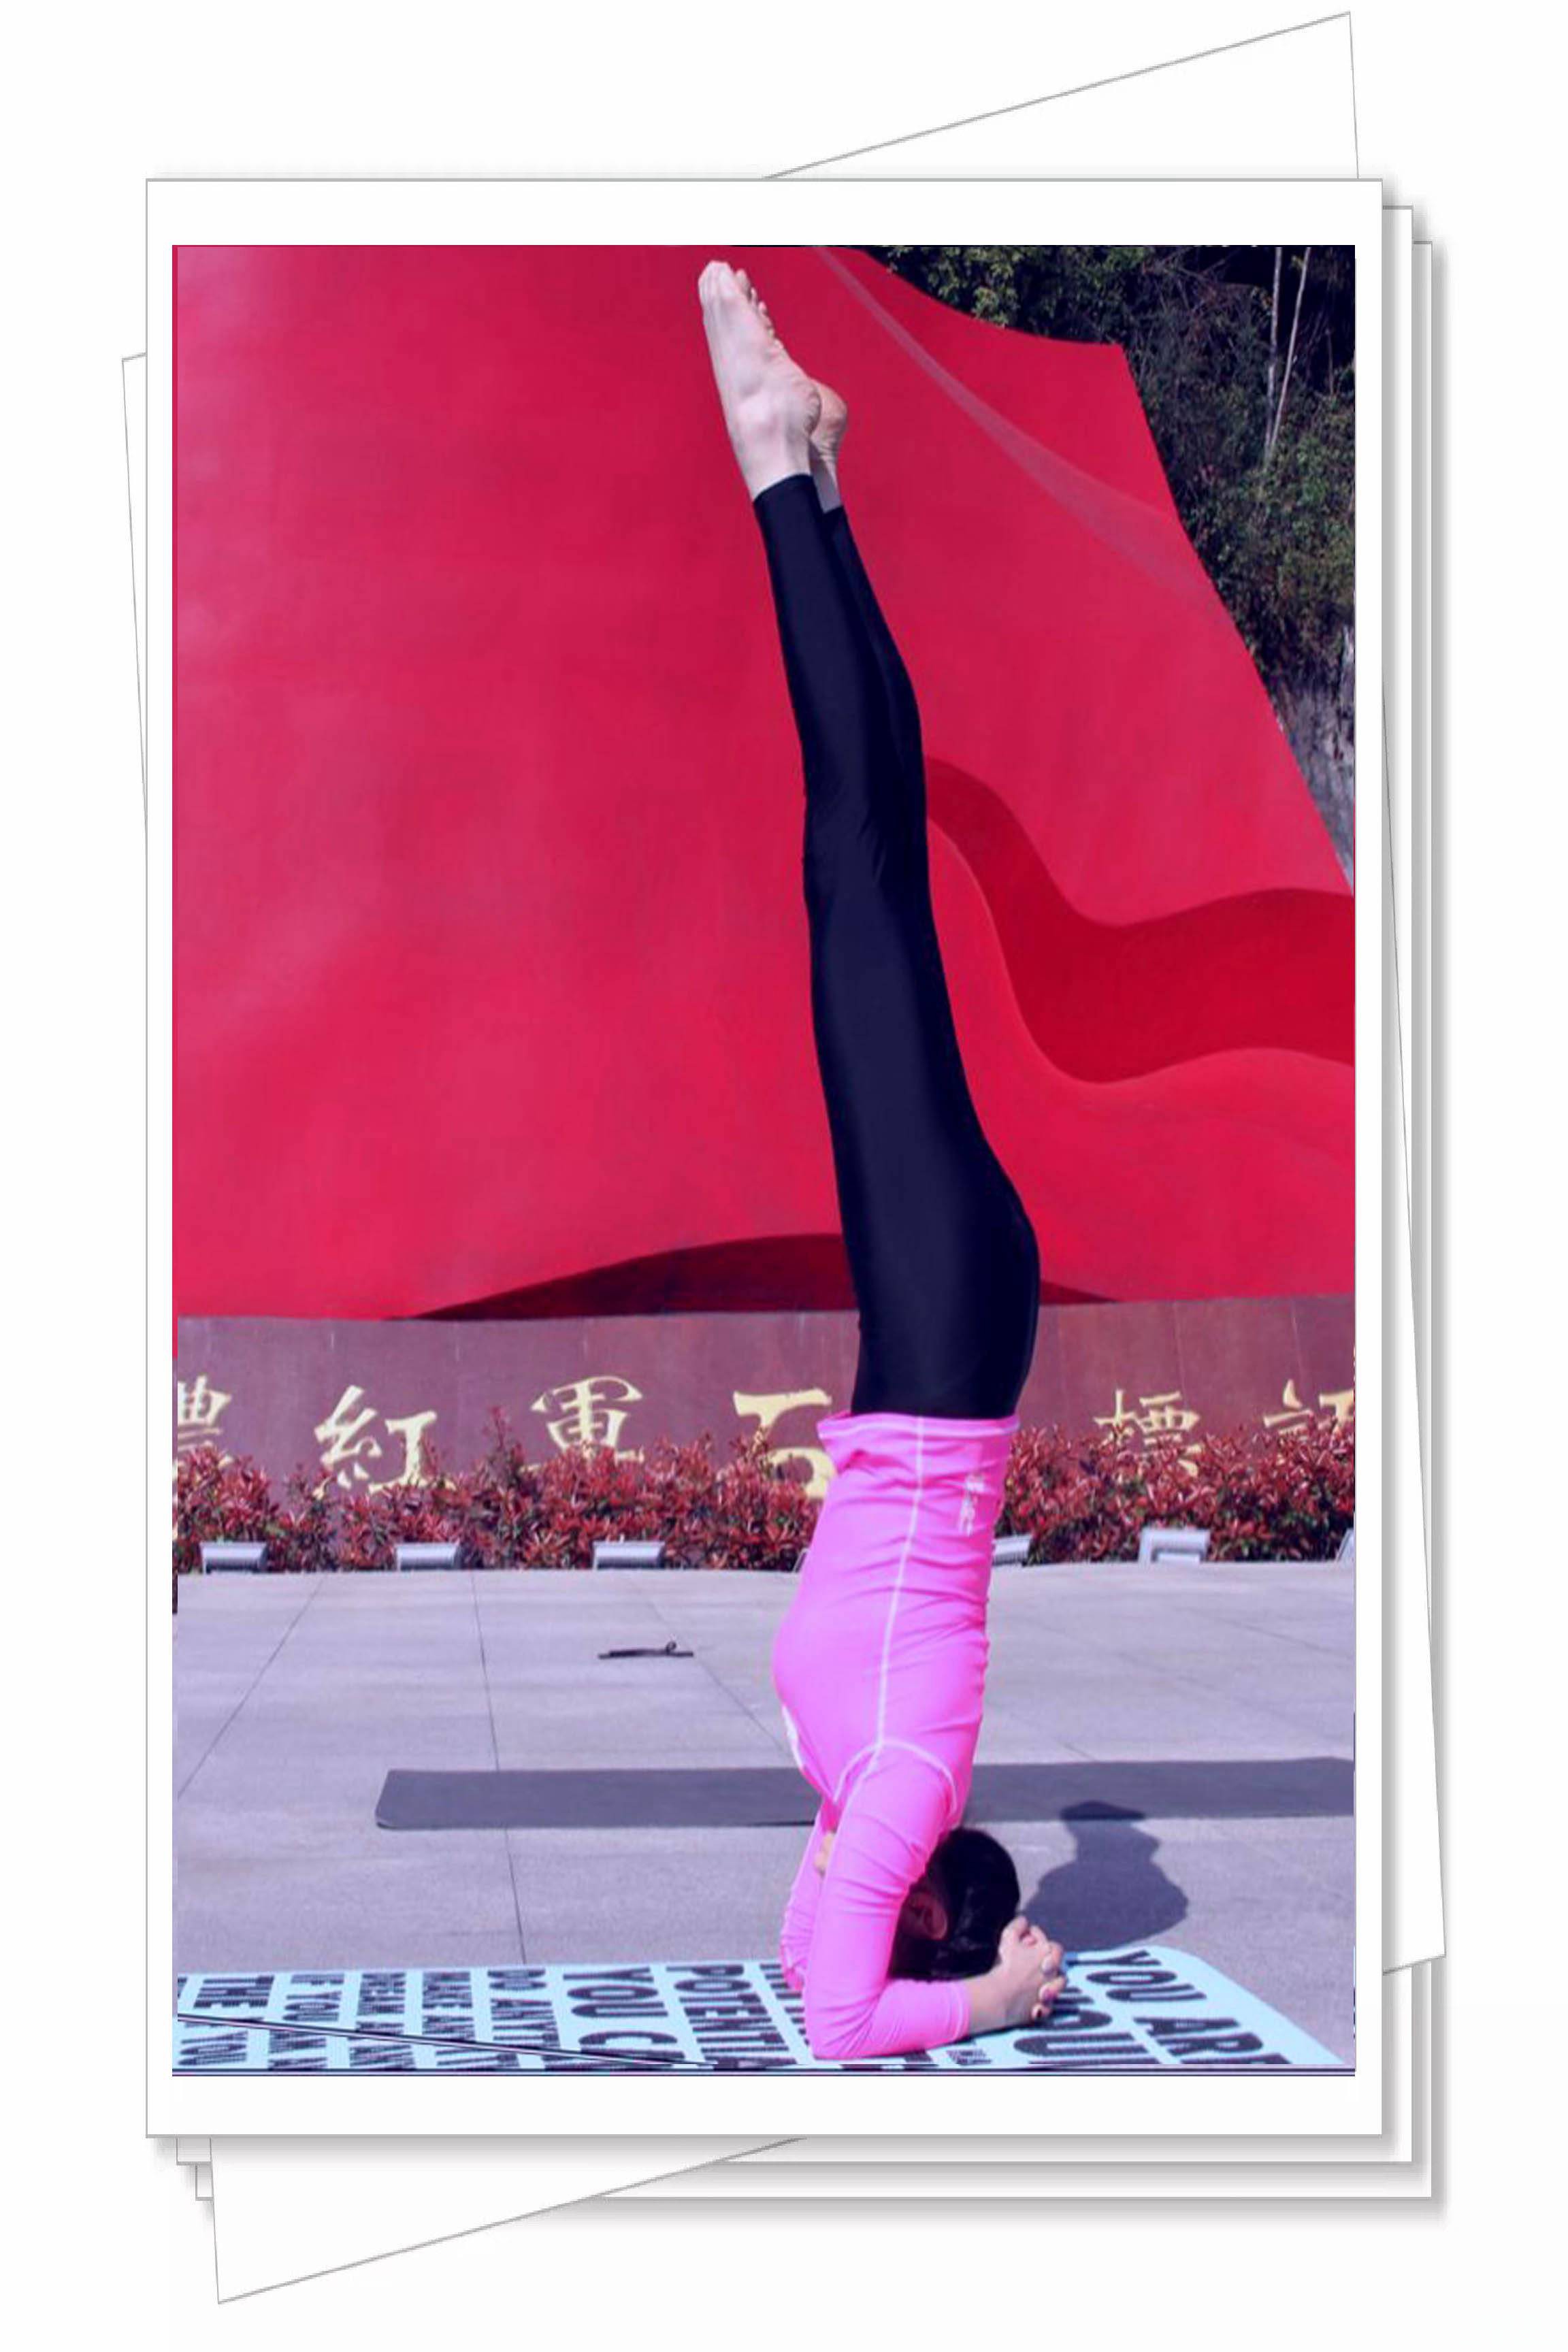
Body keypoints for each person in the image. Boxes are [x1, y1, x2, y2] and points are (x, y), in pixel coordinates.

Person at [698, 260, 1065, 2062]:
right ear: (926, 1901)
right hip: (939, 1349)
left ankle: (819, 477)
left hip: (942, 1334)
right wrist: (991, 1996)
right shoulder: (910, 1776)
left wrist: (913, 1925)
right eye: (893, 1900)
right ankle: (775, 457)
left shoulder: (866, 1799)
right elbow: (836, 2020)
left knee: (877, 868)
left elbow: (805, 1952)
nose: (842, 1885)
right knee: (852, 876)